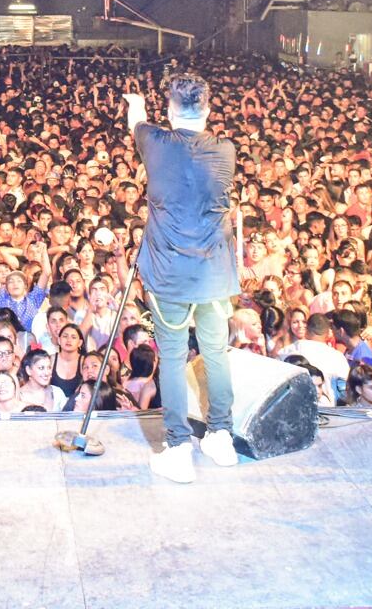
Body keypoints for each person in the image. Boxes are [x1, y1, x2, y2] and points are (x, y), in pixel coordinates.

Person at [127, 74, 238, 483]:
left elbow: (135, 120)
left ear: (170, 111)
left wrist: (136, 102)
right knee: (215, 353)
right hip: (212, 272)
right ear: (207, 111)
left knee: (173, 357)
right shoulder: (225, 149)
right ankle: (220, 436)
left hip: (171, 271)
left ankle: (178, 447)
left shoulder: (155, 142)